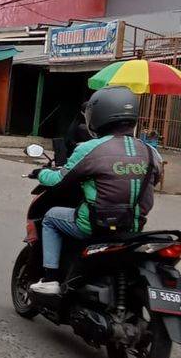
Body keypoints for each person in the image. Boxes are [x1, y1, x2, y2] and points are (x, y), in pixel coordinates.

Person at [29, 86, 162, 295]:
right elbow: (156, 179)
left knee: (50, 217)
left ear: (98, 116)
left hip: (95, 225)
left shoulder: (91, 148)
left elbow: (58, 179)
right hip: (133, 226)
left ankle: (51, 278)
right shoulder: (151, 151)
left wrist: (40, 173)